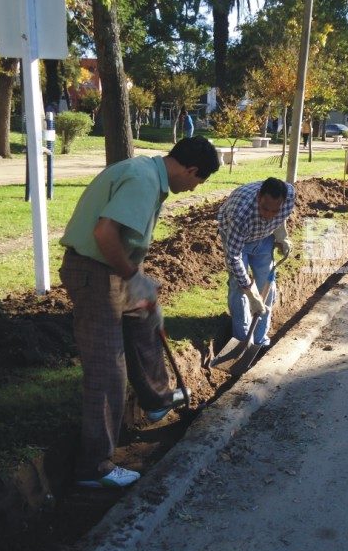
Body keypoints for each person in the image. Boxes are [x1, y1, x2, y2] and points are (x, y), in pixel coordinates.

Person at [59, 136, 220, 489]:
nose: (195, 189)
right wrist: (133, 277)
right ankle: (94, 468)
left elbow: (123, 240)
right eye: (199, 181)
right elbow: (104, 233)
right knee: (107, 370)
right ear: (192, 170)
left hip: (111, 270)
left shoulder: (148, 174)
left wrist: (140, 286)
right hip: (94, 274)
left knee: (146, 319)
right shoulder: (143, 181)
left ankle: (157, 401)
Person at [218, 177, 295, 348]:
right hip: (238, 239)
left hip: (265, 238)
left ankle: (259, 340)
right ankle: (242, 340)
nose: (268, 215)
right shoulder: (240, 214)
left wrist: (282, 237)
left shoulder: (289, 196)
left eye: (274, 211)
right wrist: (252, 296)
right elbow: (234, 258)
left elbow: (281, 217)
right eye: (265, 209)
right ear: (259, 197)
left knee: (267, 283)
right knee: (239, 286)